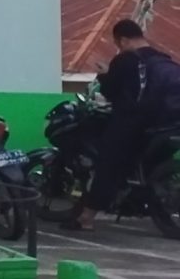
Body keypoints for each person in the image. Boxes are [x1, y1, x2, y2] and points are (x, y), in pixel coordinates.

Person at [73, 19, 180, 229]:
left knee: (108, 164)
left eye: (118, 44)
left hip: (131, 122)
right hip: (164, 123)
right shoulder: (161, 59)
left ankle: (86, 219)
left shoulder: (125, 60)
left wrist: (104, 75)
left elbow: (110, 91)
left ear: (122, 40)